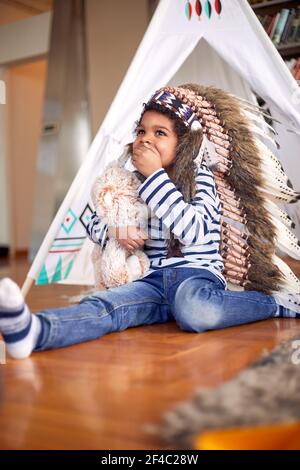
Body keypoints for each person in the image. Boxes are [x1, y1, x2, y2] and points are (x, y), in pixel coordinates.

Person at [0, 86, 299, 360]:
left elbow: (194, 231)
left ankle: (271, 304)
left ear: (183, 142)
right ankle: (36, 331)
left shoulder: (200, 178)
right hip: (152, 280)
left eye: (160, 133)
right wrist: (115, 230)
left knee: (193, 310)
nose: (146, 138)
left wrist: (156, 176)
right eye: (142, 131)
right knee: (107, 305)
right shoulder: (133, 182)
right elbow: (89, 215)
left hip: (196, 277)